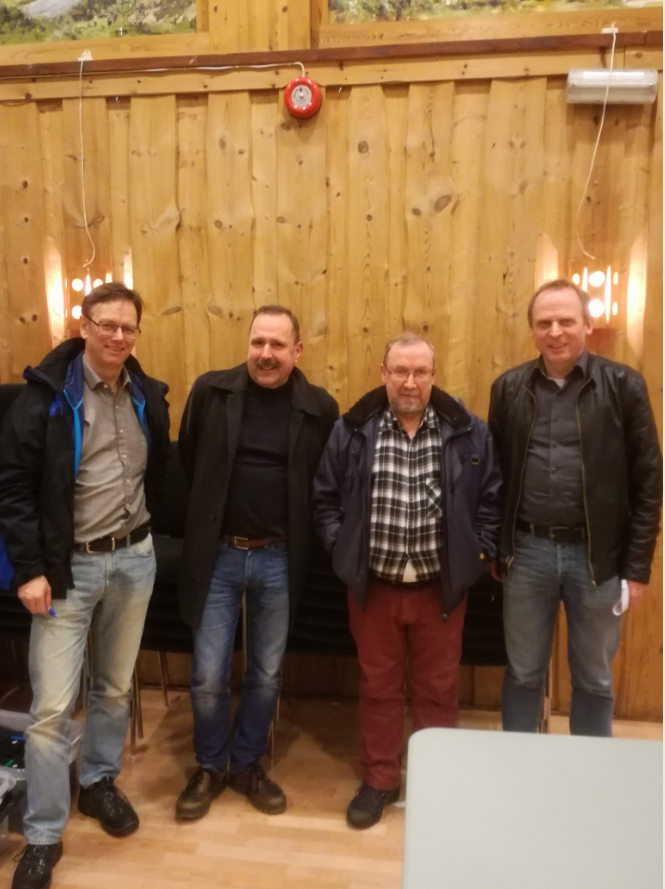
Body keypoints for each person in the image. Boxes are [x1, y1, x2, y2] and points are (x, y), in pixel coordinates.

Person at [0, 282, 170, 889]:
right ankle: (44, 835)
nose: (118, 336)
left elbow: (160, 473)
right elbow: (13, 488)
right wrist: (29, 570)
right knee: (50, 709)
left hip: (134, 560)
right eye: (107, 325)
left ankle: (98, 783)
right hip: (65, 572)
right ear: (84, 325)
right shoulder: (45, 398)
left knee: (115, 688)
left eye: (128, 327)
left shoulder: (146, 393)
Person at [313, 332, 501, 829]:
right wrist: (341, 546)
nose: (410, 382)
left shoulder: (468, 432)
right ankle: (380, 779)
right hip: (373, 588)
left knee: (438, 689)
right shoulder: (352, 430)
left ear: (434, 376)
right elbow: (325, 498)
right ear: (384, 374)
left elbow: (491, 500)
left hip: (441, 590)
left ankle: (436, 781)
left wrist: (477, 553)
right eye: (400, 371)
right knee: (378, 688)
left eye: (420, 372)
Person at [175, 305, 338, 821]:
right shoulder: (211, 391)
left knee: (266, 673)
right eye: (257, 342)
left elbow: (325, 478)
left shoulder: (319, 407)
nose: (265, 354)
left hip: (281, 557)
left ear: (298, 351)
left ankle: (246, 764)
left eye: (277, 345)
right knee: (207, 674)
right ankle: (209, 766)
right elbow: (191, 460)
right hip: (219, 553)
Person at [488, 278, 662, 737]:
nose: (555, 332)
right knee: (523, 672)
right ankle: (520, 766)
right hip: (527, 553)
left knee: (594, 679)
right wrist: (497, 547)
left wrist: (637, 567)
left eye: (566, 320)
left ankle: (590, 771)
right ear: (532, 330)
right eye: (544, 322)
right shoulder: (507, 389)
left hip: (599, 558)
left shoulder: (624, 386)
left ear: (587, 323)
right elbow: (494, 476)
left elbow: (648, 480)